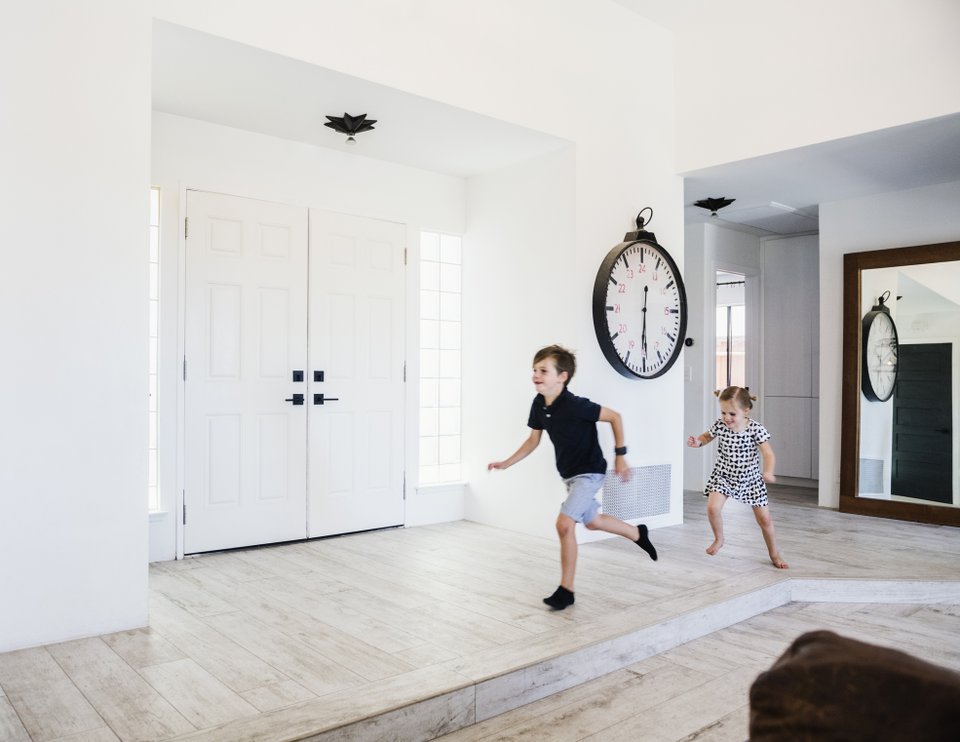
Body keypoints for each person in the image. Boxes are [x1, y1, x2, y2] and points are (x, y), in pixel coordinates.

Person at [488, 344, 657, 611]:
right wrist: (507, 462)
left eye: (543, 370)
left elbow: (615, 417)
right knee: (593, 522)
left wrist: (620, 455)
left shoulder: (576, 405)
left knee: (564, 525)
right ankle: (638, 533)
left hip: (590, 472)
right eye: (534, 370)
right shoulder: (539, 404)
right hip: (569, 476)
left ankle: (566, 591)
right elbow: (533, 440)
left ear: (562, 376)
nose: (536, 375)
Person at [687, 386, 788, 569]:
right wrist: (698, 442)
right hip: (724, 474)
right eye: (723, 412)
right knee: (712, 508)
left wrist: (769, 471)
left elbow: (768, 454)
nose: (727, 418)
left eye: (732, 414)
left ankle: (774, 554)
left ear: (746, 410)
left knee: (765, 520)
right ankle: (719, 539)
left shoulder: (755, 429)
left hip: (750, 479)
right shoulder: (720, 425)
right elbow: (707, 436)